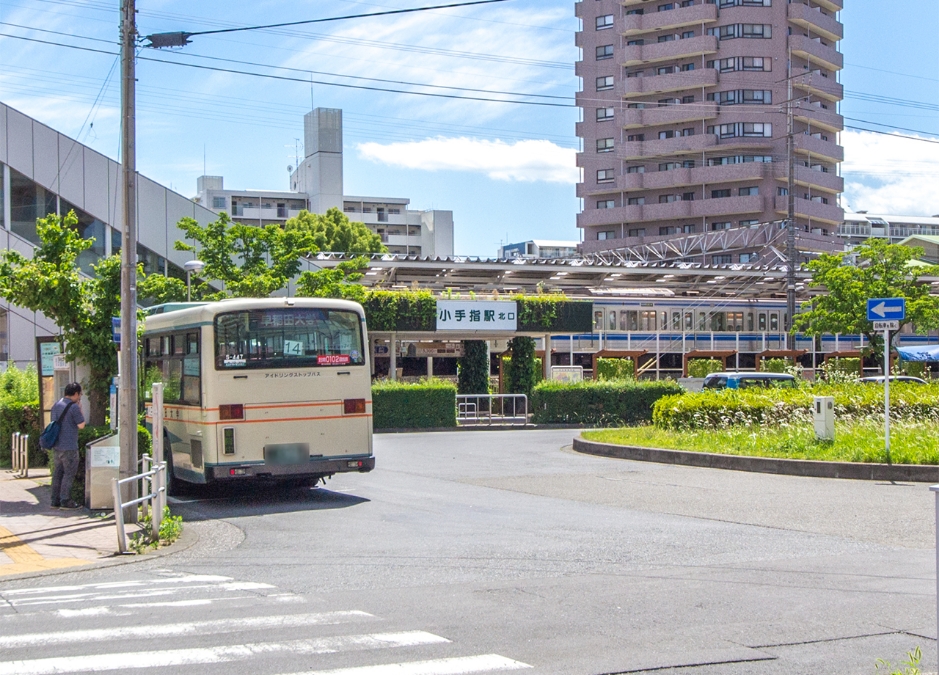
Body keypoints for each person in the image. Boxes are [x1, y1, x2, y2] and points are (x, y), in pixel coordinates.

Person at [50, 382, 86, 510]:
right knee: (69, 474)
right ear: (76, 394)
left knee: (58, 473)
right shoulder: (74, 407)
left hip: (57, 446)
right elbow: (81, 425)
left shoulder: (56, 405)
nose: (80, 396)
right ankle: (65, 500)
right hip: (69, 446)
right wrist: (80, 408)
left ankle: (55, 500)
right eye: (80, 394)